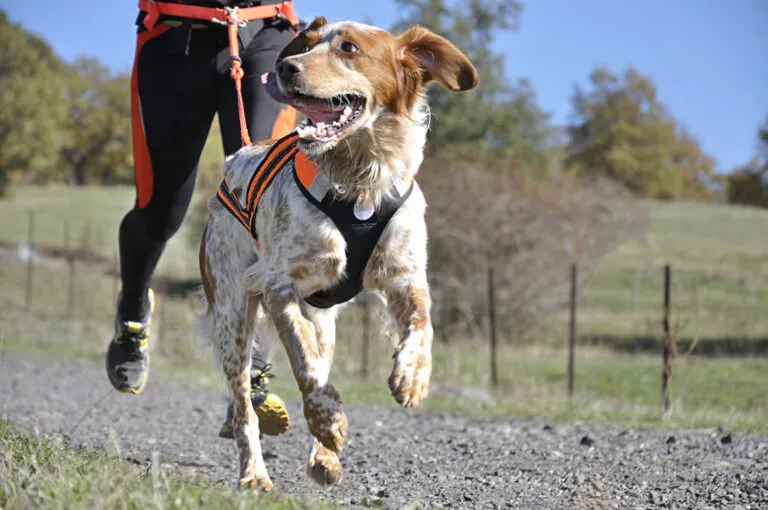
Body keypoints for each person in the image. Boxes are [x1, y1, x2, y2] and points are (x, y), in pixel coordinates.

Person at [106, 0, 301, 438]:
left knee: (261, 205)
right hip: (174, 37)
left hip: (265, 36)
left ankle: (251, 374)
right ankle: (133, 311)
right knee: (160, 212)